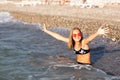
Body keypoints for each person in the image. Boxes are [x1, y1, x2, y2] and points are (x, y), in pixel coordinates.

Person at [42, 24, 109, 65]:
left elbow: (89, 39)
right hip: (77, 64)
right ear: (72, 36)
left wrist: (97, 33)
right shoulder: (72, 42)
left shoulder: (83, 42)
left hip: (86, 67)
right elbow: (59, 37)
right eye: (74, 35)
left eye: (78, 34)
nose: (77, 36)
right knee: (60, 60)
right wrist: (46, 31)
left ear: (81, 35)